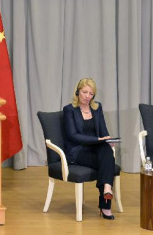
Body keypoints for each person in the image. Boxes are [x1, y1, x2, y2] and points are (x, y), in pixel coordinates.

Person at [63, 78, 117, 220]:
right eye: (84, 92)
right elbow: (73, 136)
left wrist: (108, 139)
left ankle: (106, 188)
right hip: (78, 151)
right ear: (78, 91)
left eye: (91, 93)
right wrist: (98, 140)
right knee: (106, 161)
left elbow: (103, 130)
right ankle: (106, 204)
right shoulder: (69, 110)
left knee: (106, 151)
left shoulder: (97, 108)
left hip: (97, 148)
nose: (87, 96)